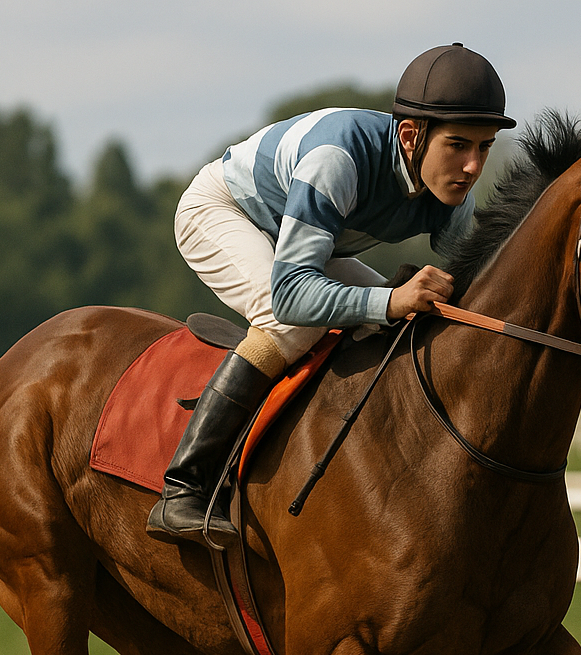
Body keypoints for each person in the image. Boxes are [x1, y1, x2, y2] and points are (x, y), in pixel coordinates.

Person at [147, 42, 516, 548]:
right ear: (411, 135)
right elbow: (293, 295)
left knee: (406, 320)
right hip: (225, 211)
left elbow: (462, 300)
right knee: (293, 321)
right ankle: (183, 487)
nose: (473, 166)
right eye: (458, 145)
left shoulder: (449, 195)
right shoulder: (336, 159)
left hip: (305, 234)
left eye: (485, 146)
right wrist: (390, 301)